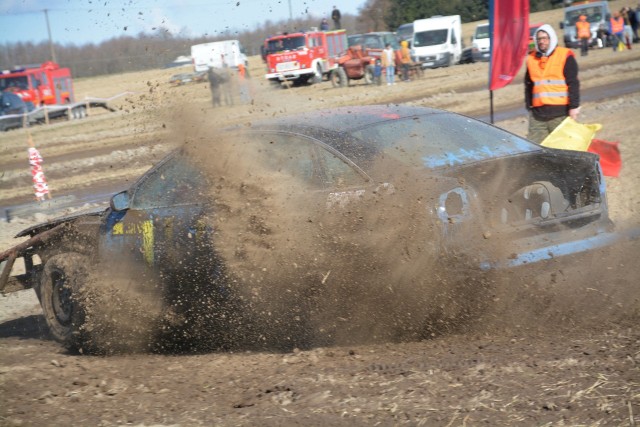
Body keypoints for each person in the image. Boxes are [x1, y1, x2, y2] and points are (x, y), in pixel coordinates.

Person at [524, 25, 580, 144]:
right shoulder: (531, 59)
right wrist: (529, 107)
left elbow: (573, 83)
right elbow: (528, 85)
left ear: (552, 39)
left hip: (560, 114)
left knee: (563, 148)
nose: (541, 41)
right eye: (539, 39)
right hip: (538, 115)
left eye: (545, 38)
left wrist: (574, 107)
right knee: (535, 149)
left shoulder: (565, 55)